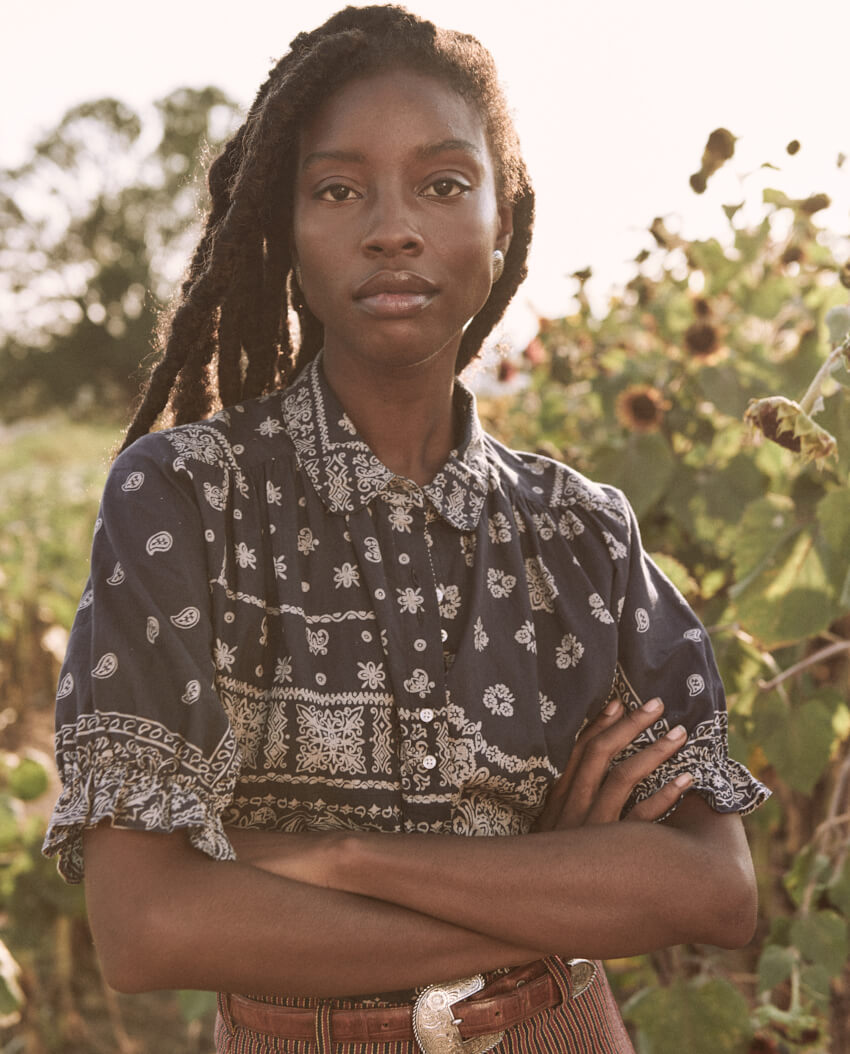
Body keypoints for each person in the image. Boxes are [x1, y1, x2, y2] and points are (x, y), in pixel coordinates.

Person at [43, 6, 770, 1052]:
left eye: (442, 184)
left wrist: (336, 857)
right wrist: (544, 888)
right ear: (284, 230)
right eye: (338, 189)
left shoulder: (583, 534)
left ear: (503, 219)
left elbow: (711, 890)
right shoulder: (186, 499)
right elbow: (148, 925)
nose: (394, 226)